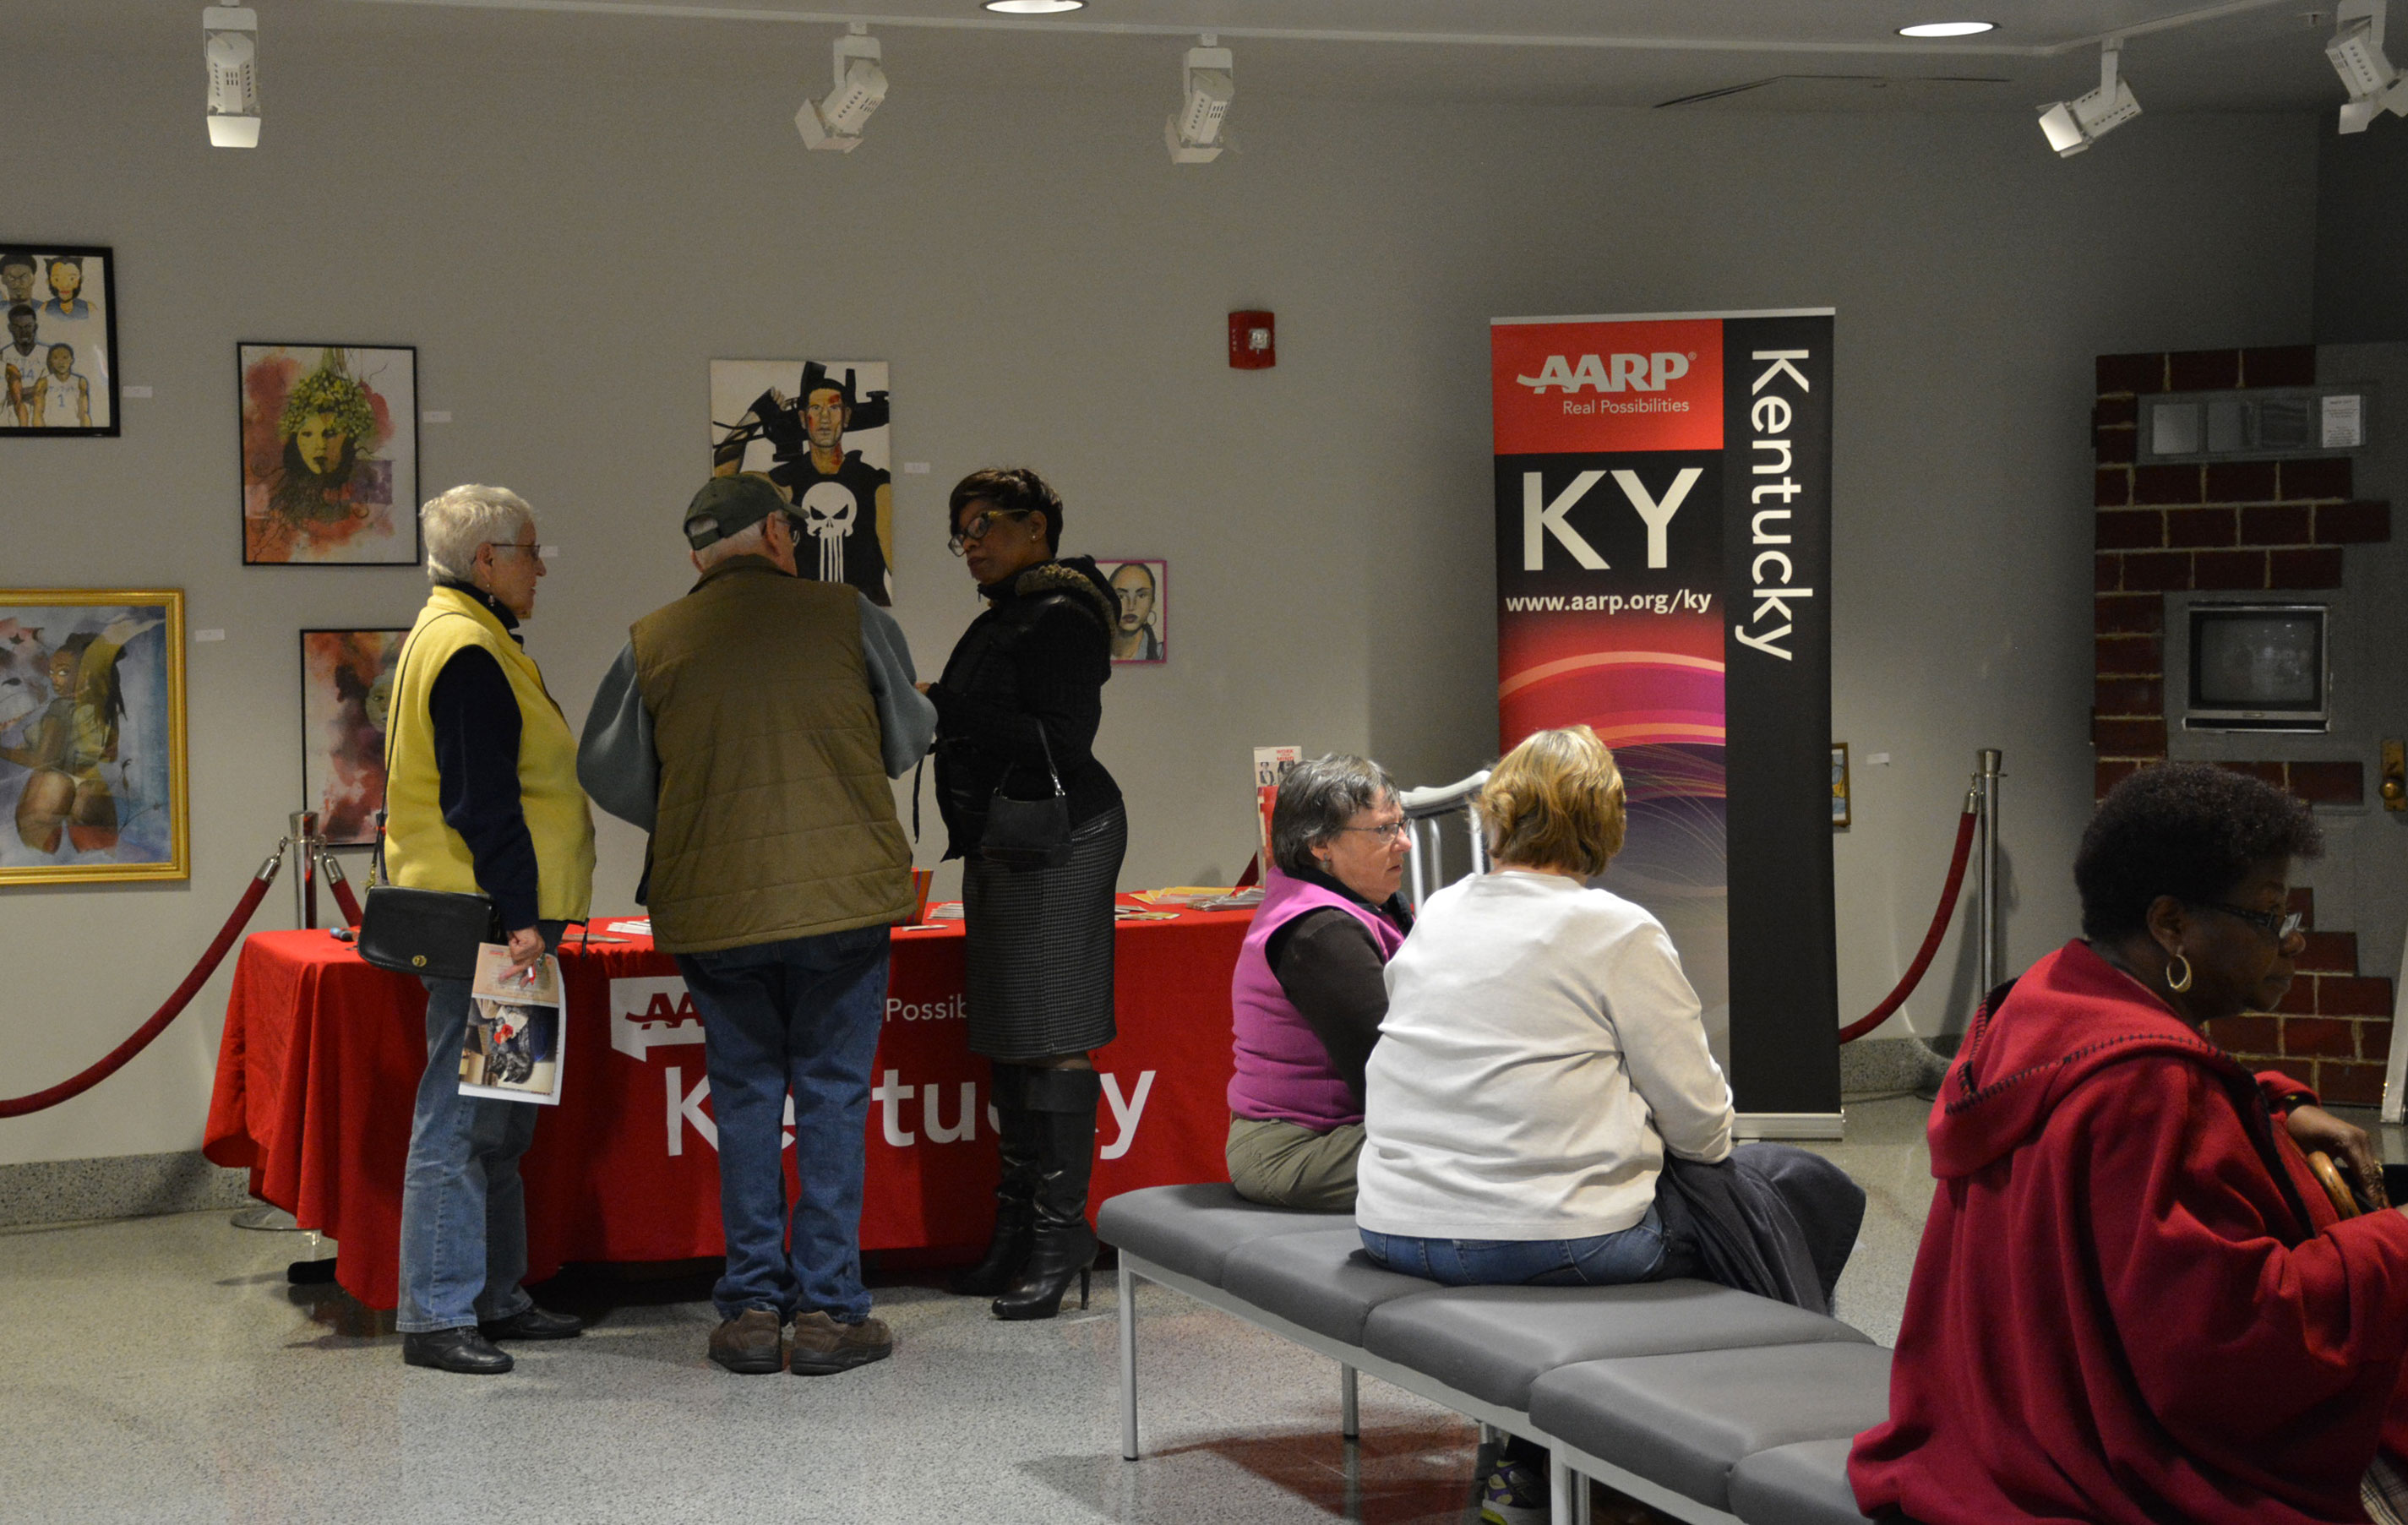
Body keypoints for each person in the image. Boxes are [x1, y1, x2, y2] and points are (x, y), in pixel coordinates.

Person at [1850, 762, 2408, 1525]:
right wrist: (2395, 1245)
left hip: (1999, 1414)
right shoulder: (2148, 1087)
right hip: (2114, 1462)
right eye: (2270, 915)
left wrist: (2266, 1106)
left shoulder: (2045, 1002)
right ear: (2172, 923)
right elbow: (2225, 1341)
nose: (2293, 941)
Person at [1356, 724, 1861, 1525]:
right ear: (1606, 824)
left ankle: (1525, 1466)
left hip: (1395, 1222)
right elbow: (1702, 1127)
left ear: (1500, 813)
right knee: (1806, 1195)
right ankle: (1756, 1437)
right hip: (1552, 1239)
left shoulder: (1441, 911)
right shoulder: (1618, 930)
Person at [578, 473, 934, 1377]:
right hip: (841, 900)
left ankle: (747, 1309)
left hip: (715, 904)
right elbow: (906, 738)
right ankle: (827, 1311)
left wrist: (693, 805)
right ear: (780, 531)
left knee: (740, 1097)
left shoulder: (653, 638)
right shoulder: (849, 615)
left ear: (700, 553)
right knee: (831, 1092)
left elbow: (609, 770)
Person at [384, 484, 597, 1375]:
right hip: (491, 919)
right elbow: (484, 805)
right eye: (529, 550)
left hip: (497, 915)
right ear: (486, 560)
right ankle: (437, 1314)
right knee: (464, 1119)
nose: (539, 566)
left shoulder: (456, 632)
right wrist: (518, 920)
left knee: (502, 1119)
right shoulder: (469, 648)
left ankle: (496, 1296)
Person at [924, 466, 1126, 1321]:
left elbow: (1064, 740)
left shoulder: (1060, 612)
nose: (972, 542)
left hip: (1059, 836)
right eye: (962, 530)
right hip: (1014, 839)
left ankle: (1058, 1235)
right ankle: (1019, 1233)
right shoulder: (1013, 609)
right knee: (1014, 1037)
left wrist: (947, 708)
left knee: (1053, 1036)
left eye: (988, 526)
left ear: (1038, 527)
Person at [1225, 754, 1412, 1211]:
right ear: (1321, 846)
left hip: (1339, 1132)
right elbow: (1385, 1073)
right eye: (1383, 830)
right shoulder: (1321, 932)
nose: (1404, 843)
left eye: (1401, 825)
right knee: (1492, 1149)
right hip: (1295, 1150)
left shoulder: (1358, 905)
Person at [1106, 562, 1162, 662]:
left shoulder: (1162, 653)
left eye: (1141, 595)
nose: (1131, 606)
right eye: (1121, 596)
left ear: (1152, 603)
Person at [30, 344, 89, 428]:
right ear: (51, 360)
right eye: (56, 358)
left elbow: (84, 413)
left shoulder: (80, 382)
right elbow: (37, 413)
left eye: (65, 358)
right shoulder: (43, 382)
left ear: (72, 360)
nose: (61, 362)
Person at [3, 304, 44, 425]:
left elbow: (48, 390)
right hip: (9, 423)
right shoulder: (3, 356)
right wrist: (34, 392)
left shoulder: (48, 355)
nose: (23, 332)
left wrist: (14, 396)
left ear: (35, 327)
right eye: (17, 327)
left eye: (28, 326)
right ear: (10, 328)